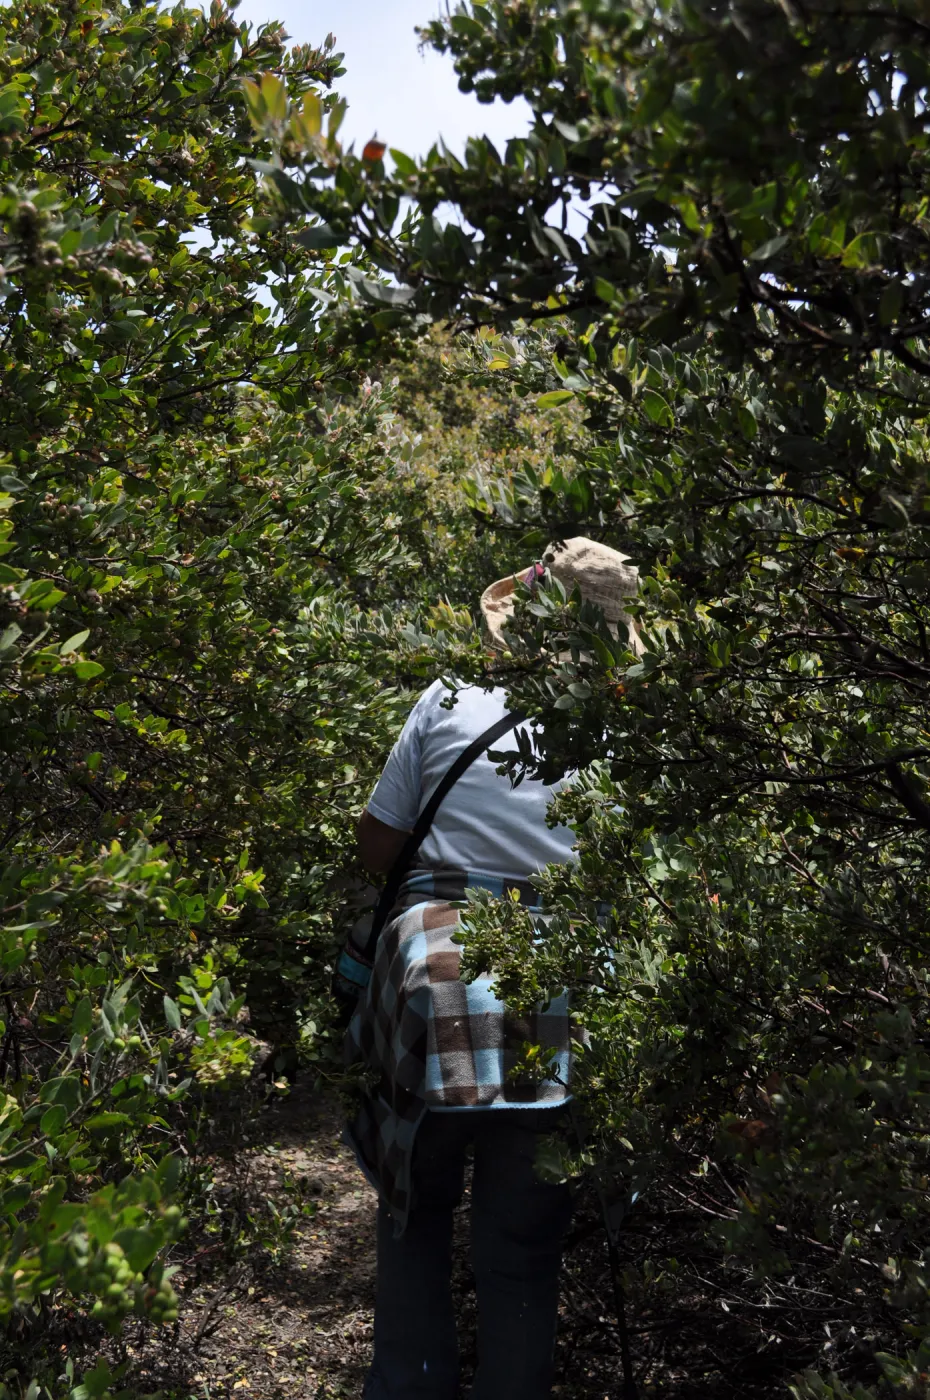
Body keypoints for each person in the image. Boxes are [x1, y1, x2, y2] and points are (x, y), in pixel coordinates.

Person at [346, 537, 639, 1400]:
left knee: (414, 1221)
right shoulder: (623, 722)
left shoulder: (449, 699)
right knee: (521, 1254)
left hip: (435, 979)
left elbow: (376, 845)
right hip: (567, 986)